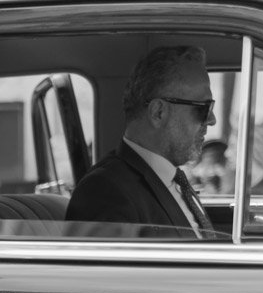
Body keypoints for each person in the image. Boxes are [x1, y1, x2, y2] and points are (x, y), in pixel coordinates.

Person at [65, 46, 217, 238]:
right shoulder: (103, 192)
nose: (212, 120)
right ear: (158, 113)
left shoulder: (175, 182)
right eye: (203, 108)